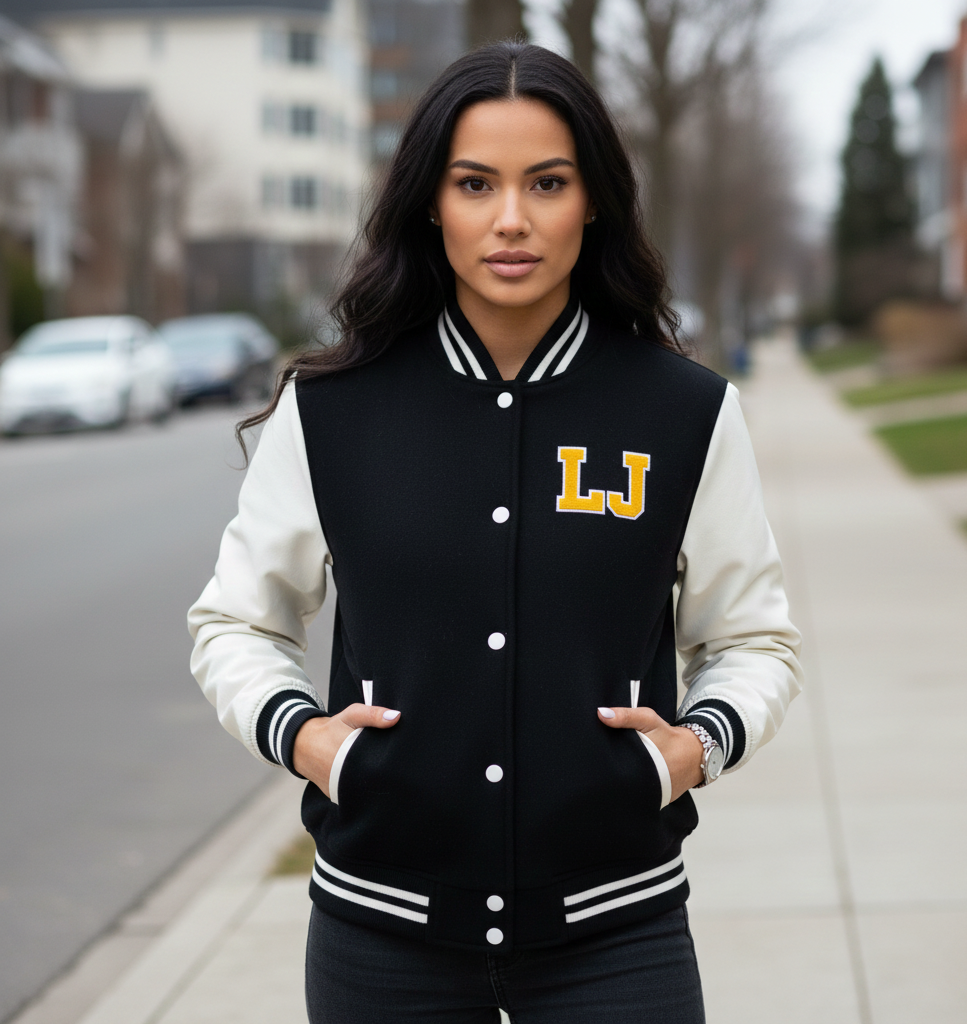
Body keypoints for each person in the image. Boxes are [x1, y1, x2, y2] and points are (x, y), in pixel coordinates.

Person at [189, 41, 801, 1024]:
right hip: (380, 939)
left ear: (592, 199)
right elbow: (234, 622)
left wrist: (693, 749)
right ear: (431, 203)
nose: (510, 218)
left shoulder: (682, 412)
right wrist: (306, 740)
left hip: (617, 934)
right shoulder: (333, 412)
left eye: (546, 183)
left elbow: (752, 637)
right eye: (475, 183)